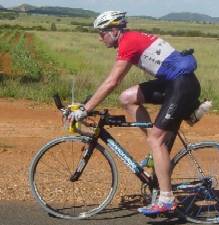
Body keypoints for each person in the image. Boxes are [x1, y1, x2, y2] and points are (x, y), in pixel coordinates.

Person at [69, 11, 201, 215]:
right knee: (127, 98)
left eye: (101, 33)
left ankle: (166, 198)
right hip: (174, 83)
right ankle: (156, 152)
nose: (99, 37)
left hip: (182, 86)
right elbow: (114, 86)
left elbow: (112, 81)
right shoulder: (129, 39)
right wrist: (87, 103)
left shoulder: (128, 42)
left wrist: (86, 109)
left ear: (114, 31)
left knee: (156, 140)